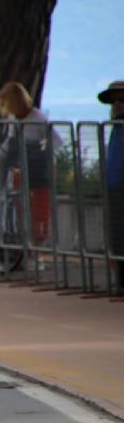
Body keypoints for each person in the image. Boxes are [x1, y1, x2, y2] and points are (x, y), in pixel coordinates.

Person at [0, 82, 62, 247]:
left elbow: (56, 141)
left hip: (39, 173)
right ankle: (24, 246)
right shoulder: (13, 119)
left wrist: (42, 153)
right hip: (20, 171)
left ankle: (37, 246)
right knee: (20, 209)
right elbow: (10, 141)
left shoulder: (38, 118)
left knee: (39, 212)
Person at [98, 80, 124, 289]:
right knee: (116, 237)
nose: (117, 104)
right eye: (113, 101)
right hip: (114, 188)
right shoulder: (116, 127)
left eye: (121, 100)